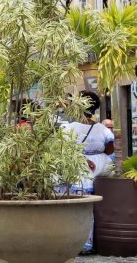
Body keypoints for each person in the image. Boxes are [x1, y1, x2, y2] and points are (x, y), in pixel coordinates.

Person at [62, 92, 115, 254]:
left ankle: (76, 243)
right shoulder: (102, 129)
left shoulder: (68, 128)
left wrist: (82, 157)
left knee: (76, 209)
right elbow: (110, 149)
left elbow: (63, 149)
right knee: (94, 209)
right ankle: (89, 244)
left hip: (78, 171)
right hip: (100, 169)